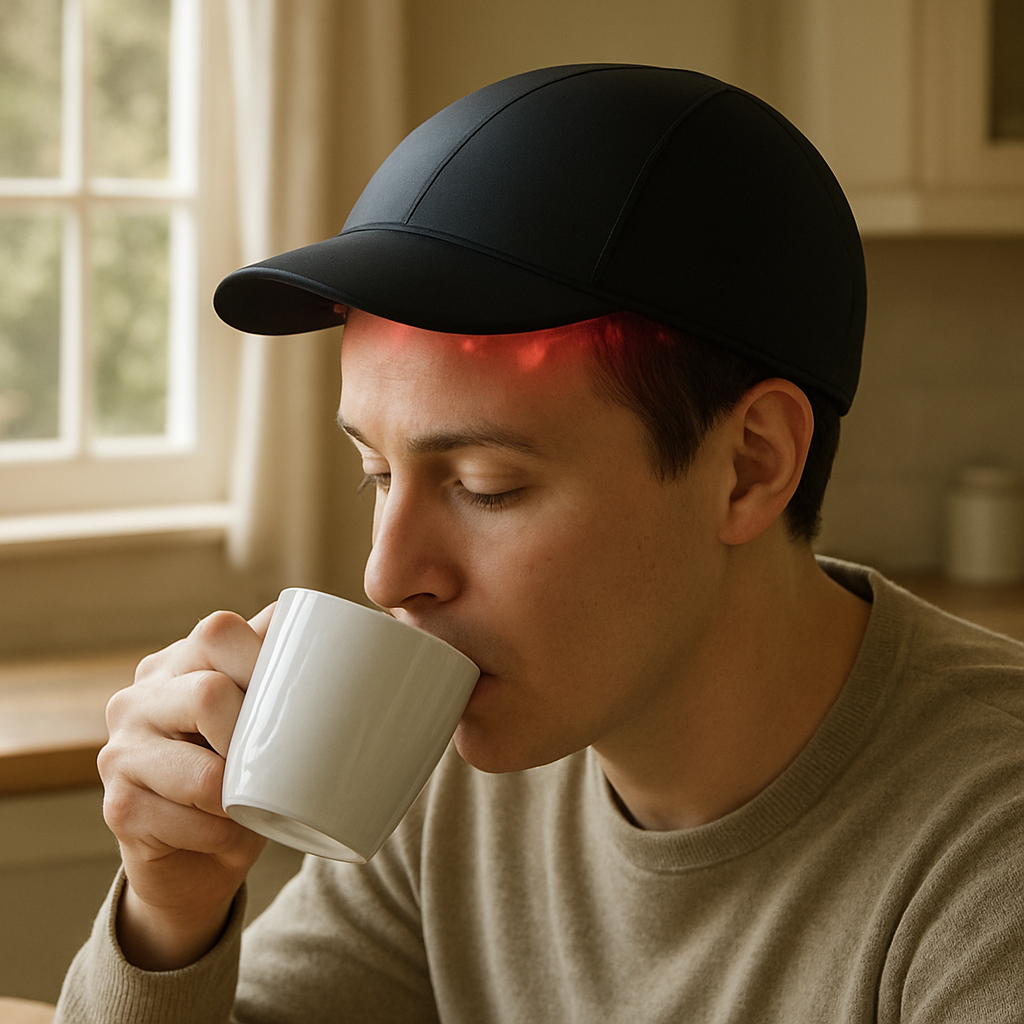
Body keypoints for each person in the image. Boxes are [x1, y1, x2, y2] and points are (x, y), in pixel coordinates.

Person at [56, 64, 1024, 1023]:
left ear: (749, 466)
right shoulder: (458, 770)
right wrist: (168, 915)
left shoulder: (989, 855)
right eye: (377, 474)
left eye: (487, 486)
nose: (386, 575)